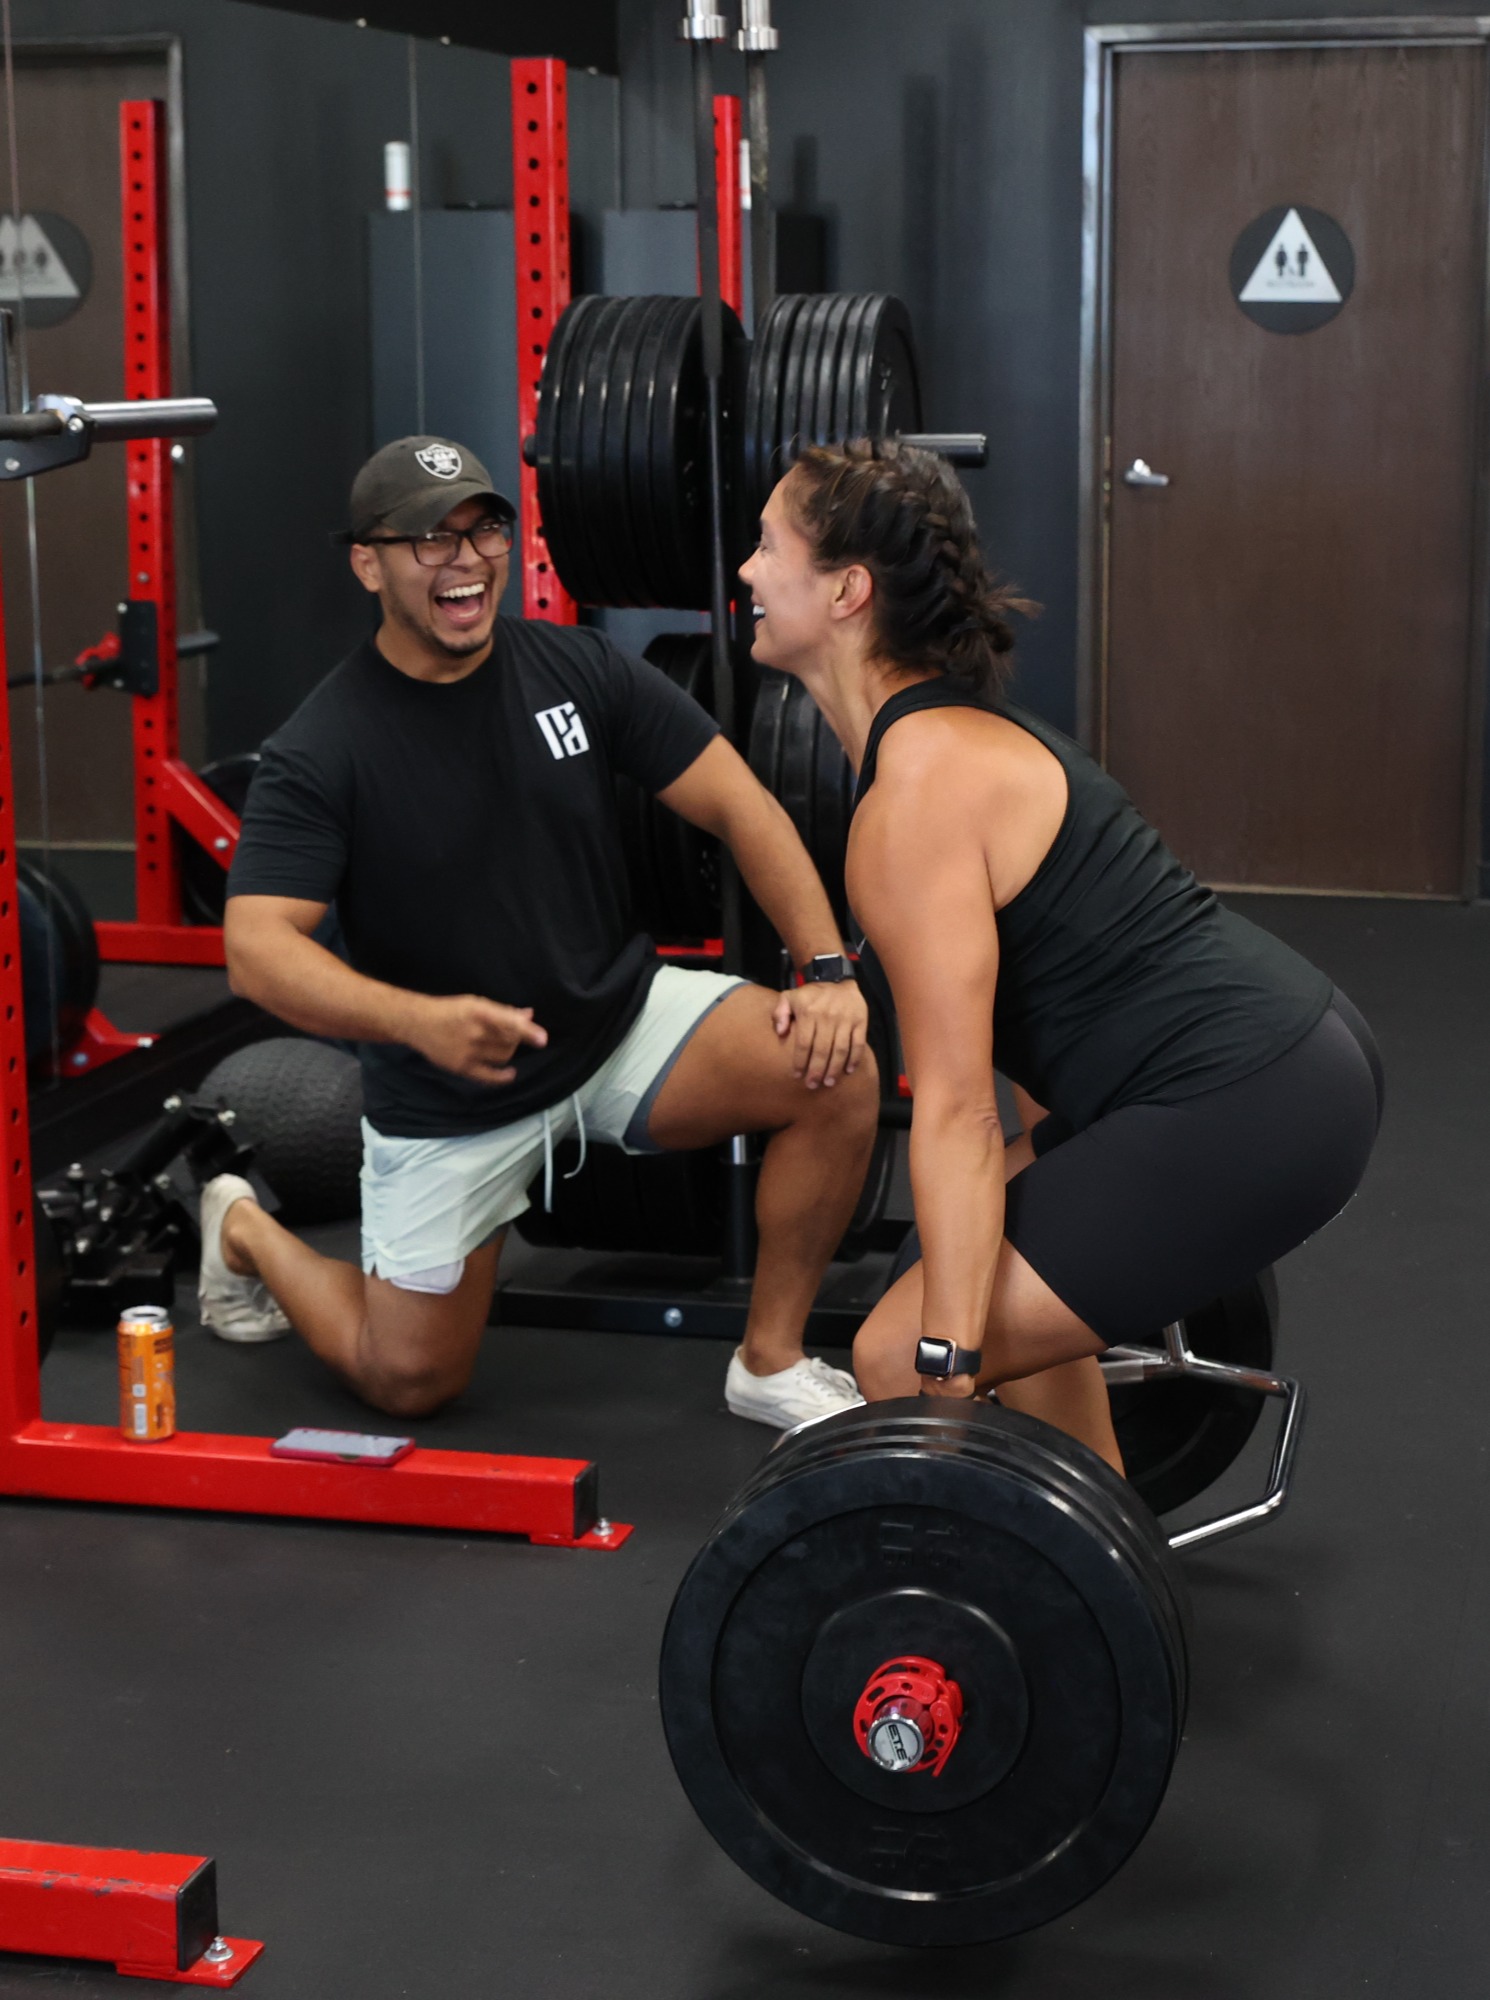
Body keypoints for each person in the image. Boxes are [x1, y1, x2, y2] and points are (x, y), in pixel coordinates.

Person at [201, 434, 880, 1429]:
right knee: (410, 1381)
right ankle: (244, 1227)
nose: (465, 559)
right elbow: (255, 948)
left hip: (615, 1021)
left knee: (838, 1067)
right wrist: (417, 1022)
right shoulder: (324, 746)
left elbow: (741, 803)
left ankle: (769, 1360)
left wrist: (824, 968)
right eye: (429, 540)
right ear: (367, 562)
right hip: (450, 1088)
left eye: (484, 530)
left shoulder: (570, 665)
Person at [739, 438, 1383, 1469]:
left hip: (1251, 1098)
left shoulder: (913, 798)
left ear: (847, 590)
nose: (745, 572)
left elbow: (952, 1107)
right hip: (1286, 1053)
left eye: (768, 546)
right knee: (951, 1251)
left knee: (890, 1352)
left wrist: (949, 1361)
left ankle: (1073, 1583)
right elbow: (1029, 1055)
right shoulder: (952, 738)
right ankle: (1101, 1539)